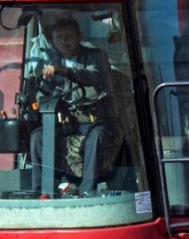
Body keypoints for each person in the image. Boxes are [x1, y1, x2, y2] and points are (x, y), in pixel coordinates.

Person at [23, 13, 118, 194]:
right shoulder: (50, 64)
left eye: (68, 37)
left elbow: (93, 76)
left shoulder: (96, 57)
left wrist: (64, 71)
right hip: (65, 124)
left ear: (79, 37)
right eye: (59, 37)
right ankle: (43, 192)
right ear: (53, 40)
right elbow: (43, 95)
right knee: (37, 137)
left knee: (97, 136)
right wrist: (50, 105)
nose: (64, 41)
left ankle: (87, 192)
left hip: (91, 121)